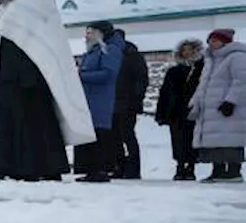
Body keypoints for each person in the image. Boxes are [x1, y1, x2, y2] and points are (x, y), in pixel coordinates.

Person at [0, 0, 95, 181]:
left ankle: (38, 167)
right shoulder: (8, 5)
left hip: (29, 81)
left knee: (34, 123)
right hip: (8, 81)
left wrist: (25, 76)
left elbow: (41, 42)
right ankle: (13, 166)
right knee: (12, 124)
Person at [188, 29, 245, 183]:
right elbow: (204, 84)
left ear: (225, 41)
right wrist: (196, 102)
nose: (212, 44)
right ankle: (218, 170)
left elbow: (241, 81)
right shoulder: (211, 60)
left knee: (231, 140)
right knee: (215, 141)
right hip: (212, 108)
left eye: (215, 40)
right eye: (210, 41)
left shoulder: (236, 57)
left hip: (229, 108)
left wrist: (231, 101)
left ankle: (234, 171)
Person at [74, 21, 123, 183]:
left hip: (100, 99)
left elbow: (108, 74)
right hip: (88, 98)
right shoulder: (92, 52)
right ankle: (90, 169)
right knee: (91, 136)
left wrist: (81, 76)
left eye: (90, 32)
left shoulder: (109, 50)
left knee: (100, 136)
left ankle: (99, 170)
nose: (86, 36)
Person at [155, 38, 205, 181]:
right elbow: (165, 92)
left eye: (190, 50)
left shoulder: (201, 70)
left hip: (193, 109)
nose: (187, 53)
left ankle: (191, 167)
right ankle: (180, 165)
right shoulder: (174, 71)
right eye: (184, 50)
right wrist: (162, 113)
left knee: (191, 139)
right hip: (175, 110)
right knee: (177, 139)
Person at [112, 29, 150, 179]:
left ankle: (133, 168)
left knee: (127, 135)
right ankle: (119, 165)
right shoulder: (112, 55)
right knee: (115, 137)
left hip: (127, 102)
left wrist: (136, 99)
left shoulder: (132, 55)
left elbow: (141, 79)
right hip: (113, 102)